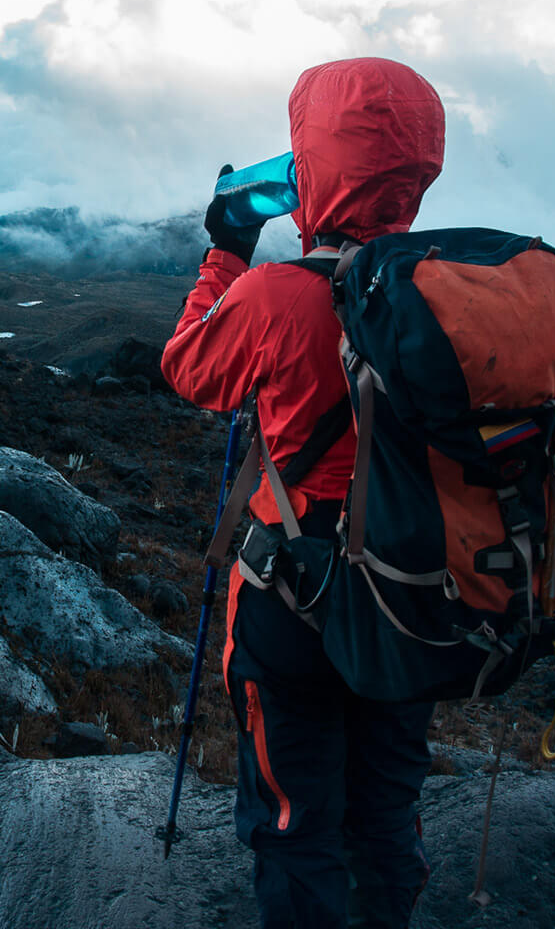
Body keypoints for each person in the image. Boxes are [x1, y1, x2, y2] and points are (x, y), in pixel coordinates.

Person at [160, 56, 447, 928]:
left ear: (311, 162)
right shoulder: (447, 294)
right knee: (385, 815)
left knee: (295, 823)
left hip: (293, 601)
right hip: (410, 594)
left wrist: (225, 252)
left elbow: (189, 368)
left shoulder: (275, 296)